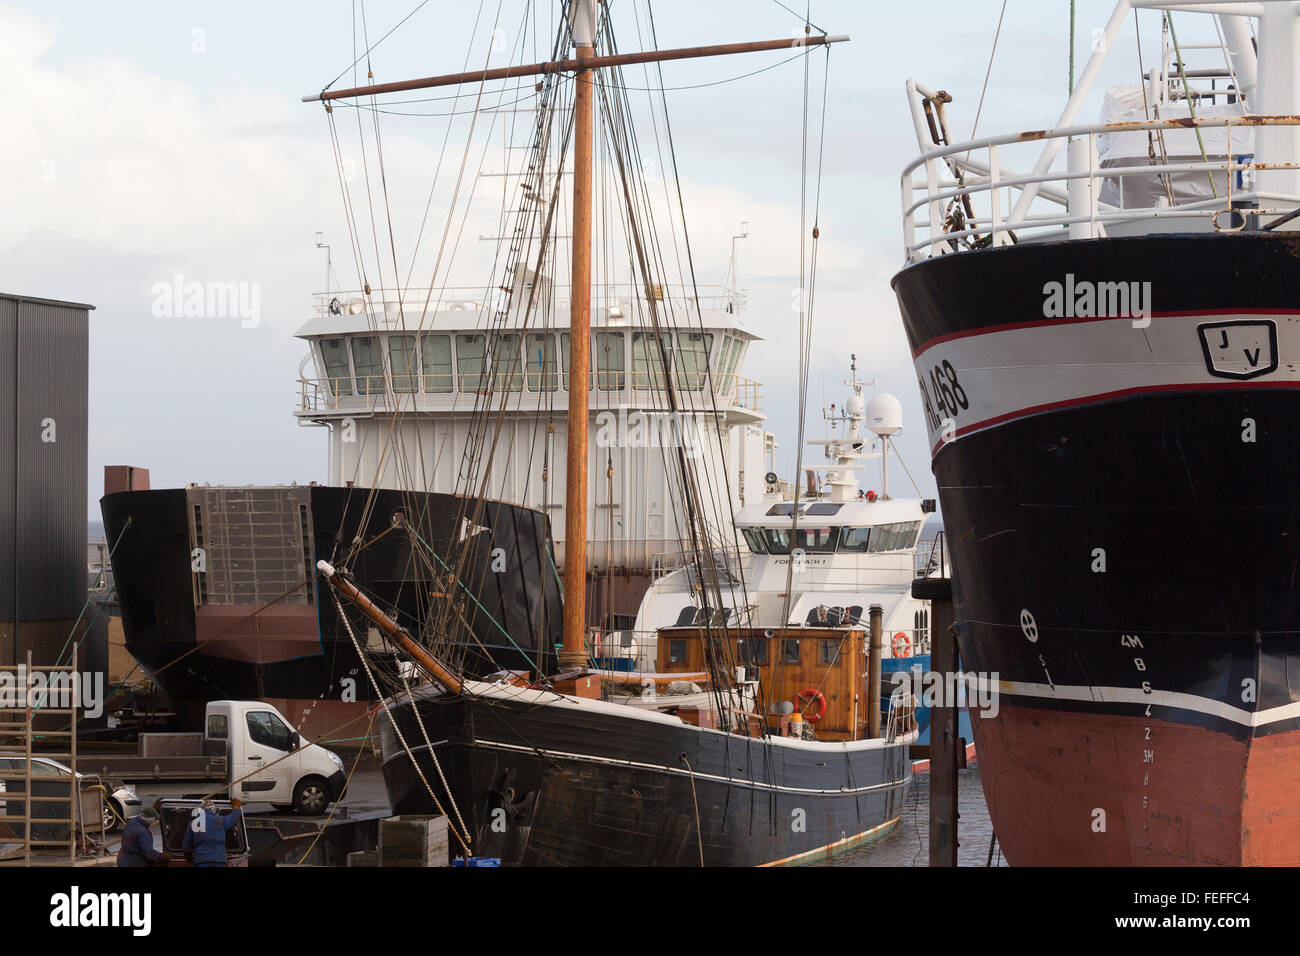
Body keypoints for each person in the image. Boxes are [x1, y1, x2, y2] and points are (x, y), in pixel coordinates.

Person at [182, 797, 243, 867]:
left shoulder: (193, 823)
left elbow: (186, 846)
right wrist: (236, 807)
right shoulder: (221, 821)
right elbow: (234, 817)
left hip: (201, 860)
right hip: (218, 859)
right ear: (214, 810)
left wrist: (189, 859)